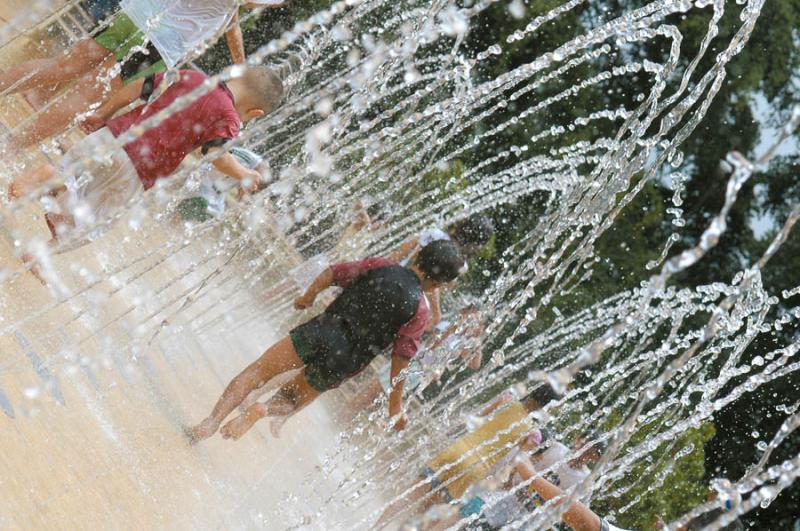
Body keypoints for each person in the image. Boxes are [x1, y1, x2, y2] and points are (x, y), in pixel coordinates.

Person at [185, 240, 466, 443]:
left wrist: (308, 297)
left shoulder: (382, 266)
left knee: (258, 371)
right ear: (440, 284)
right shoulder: (420, 310)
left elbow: (334, 272)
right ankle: (264, 409)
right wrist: (395, 406)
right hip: (345, 361)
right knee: (293, 399)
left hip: (321, 330)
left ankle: (209, 424)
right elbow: (401, 359)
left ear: (417, 254)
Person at [8, 66, 282, 274]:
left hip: (112, 136)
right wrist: (245, 174)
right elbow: (217, 155)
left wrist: (104, 112)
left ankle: (55, 179)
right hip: (137, 170)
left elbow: (141, 86)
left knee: (75, 180)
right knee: (94, 223)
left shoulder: (193, 77)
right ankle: (39, 252)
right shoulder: (229, 117)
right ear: (255, 112)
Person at [0, 0, 286, 151]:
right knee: (88, 95)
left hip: (137, 12)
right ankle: (11, 147)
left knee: (62, 67)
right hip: (158, 42)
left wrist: (241, 65)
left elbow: (231, 23)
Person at [377, 384, 559, 526]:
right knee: (429, 513)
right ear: (546, 406)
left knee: (410, 494)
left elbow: (476, 419)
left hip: (458, 449)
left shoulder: (507, 399)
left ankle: (374, 527)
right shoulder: (533, 433)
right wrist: (508, 481)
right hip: (474, 469)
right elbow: (516, 462)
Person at [389, 215, 494, 328]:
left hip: (396, 274)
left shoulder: (435, 233)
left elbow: (404, 250)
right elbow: (433, 285)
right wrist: (436, 313)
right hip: (409, 298)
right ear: (476, 242)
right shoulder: (460, 264)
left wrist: (386, 266)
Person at [177, 147, 268, 222]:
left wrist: (238, 208)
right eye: (257, 185)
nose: (254, 187)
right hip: (205, 179)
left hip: (216, 193)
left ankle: (179, 227)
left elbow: (242, 193)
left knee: (214, 218)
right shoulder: (251, 159)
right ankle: (175, 220)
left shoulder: (251, 176)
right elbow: (224, 151)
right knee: (197, 204)